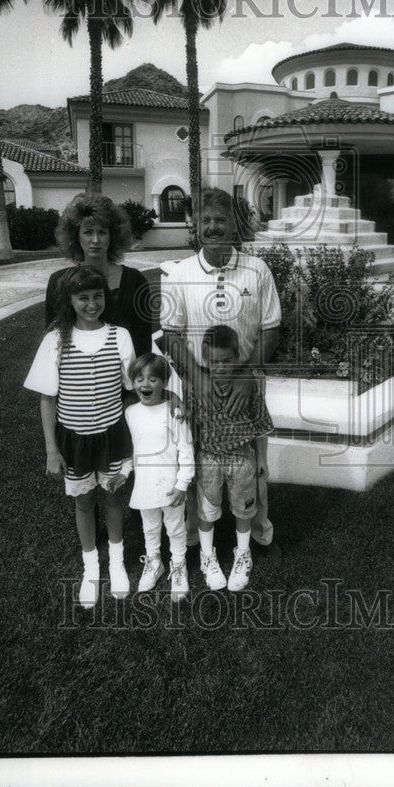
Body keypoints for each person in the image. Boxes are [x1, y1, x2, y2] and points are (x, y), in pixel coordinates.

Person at [162, 187, 281, 551]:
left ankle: (258, 530)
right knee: (199, 459)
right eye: (206, 220)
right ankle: (199, 536)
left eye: (221, 220)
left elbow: (271, 327)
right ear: (196, 226)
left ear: (234, 225)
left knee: (252, 465)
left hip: (246, 383)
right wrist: (198, 382)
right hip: (199, 386)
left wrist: (246, 376)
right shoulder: (180, 273)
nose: (213, 227)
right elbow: (170, 334)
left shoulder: (257, 269)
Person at [24, 265, 135, 608]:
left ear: (106, 298)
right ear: (69, 300)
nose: (91, 304)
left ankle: (116, 564)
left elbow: (132, 391)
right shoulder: (56, 339)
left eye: (97, 296)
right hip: (74, 440)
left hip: (112, 436)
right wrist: (51, 450)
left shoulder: (120, 336)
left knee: (114, 497)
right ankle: (92, 569)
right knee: (84, 501)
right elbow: (47, 399)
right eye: (83, 297)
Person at [190, 325, 273, 591]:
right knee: (206, 510)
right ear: (205, 361)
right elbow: (190, 429)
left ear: (237, 358)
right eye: (214, 362)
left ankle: (243, 553)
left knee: (243, 509)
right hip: (208, 459)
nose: (221, 367)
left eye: (227, 361)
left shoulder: (248, 388)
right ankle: (207, 556)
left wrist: (261, 459)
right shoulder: (198, 389)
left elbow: (261, 426)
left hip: (241, 459)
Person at [121, 352, 195, 602]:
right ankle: (154, 562)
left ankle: (178, 565)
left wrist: (183, 483)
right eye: (139, 379)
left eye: (153, 379)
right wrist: (124, 473)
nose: (145, 385)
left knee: (175, 527)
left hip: (171, 486)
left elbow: (186, 449)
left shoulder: (174, 412)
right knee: (150, 527)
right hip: (144, 486)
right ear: (132, 383)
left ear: (164, 383)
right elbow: (132, 449)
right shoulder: (130, 413)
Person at [45, 193, 156, 357]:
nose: (95, 240)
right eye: (88, 232)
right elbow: (52, 342)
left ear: (113, 236)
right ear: (76, 236)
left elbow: (143, 347)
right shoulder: (58, 282)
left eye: (102, 232)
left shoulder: (135, 281)